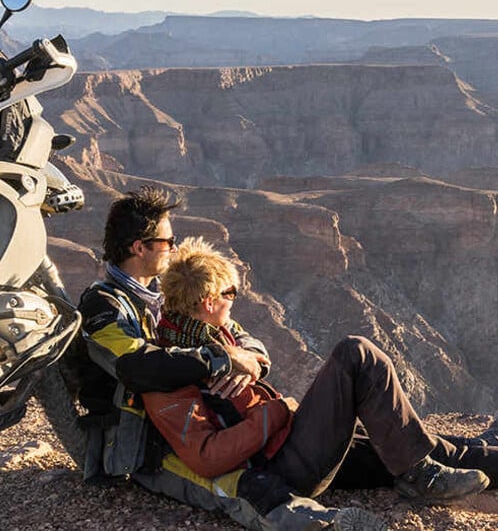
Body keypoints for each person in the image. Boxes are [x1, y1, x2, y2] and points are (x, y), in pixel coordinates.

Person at [141, 236, 498, 507]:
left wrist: (257, 368)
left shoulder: (212, 337)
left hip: (289, 447)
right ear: (206, 302)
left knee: (414, 446)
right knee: (356, 353)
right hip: (282, 468)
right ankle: (422, 476)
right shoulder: (172, 371)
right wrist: (279, 413)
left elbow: (253, 352)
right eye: (231, 292)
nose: (237, 298)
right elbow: (206, 456)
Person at [74, 185, 388, 530]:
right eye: (167, 241)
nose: (174, 248)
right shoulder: (102, 306)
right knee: (243, 488)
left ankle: (442, 459)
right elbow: (138, 366)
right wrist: (220, 359)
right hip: (152, 448)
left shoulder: (165, 294)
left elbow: (241, 337)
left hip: (213, 420)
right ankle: (326, 525)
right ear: (139, 248)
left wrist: (250, 358)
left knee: (363, 452)